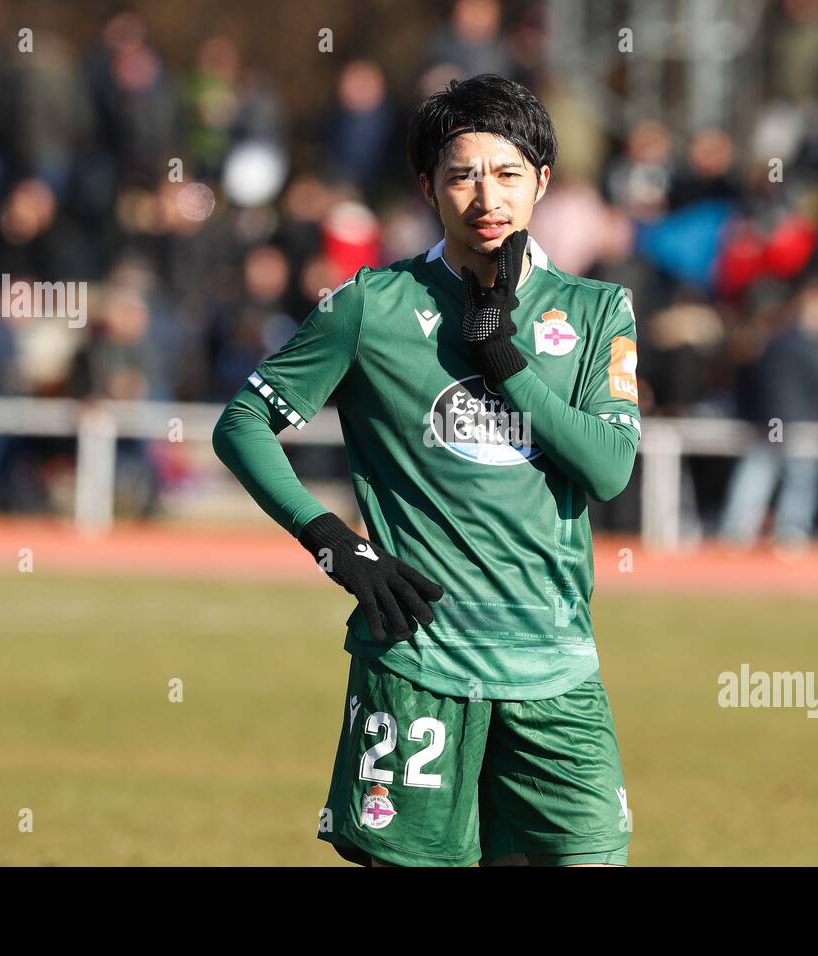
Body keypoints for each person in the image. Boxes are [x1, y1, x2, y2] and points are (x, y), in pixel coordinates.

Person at [213, 74, 639, 866]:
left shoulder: (595, 308)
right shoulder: (371, 305)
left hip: (556, 669)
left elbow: (609, 469)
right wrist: (333, 541)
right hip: (417, 665)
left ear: (543, 181)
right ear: (427, 187)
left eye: (509, 173)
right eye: (462, 174)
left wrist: (503, 361)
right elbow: (242, 422)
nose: (488, 197)